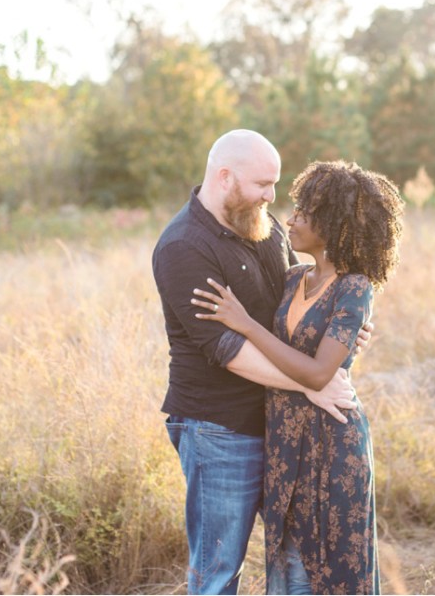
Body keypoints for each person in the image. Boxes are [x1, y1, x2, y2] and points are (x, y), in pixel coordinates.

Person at [151, 130, 370, 595]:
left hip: (283, 425)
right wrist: (310, 384)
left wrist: (344, 328)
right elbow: (227, 349)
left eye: (275, 185)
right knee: (218, 568)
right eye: (262, 185)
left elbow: (297, 300)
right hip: (218, 430)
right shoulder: (183, 247)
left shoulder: (264, 225)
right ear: (225, 177)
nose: (272, 197)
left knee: (301, 556)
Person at [191, 160, 404, 595]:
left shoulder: (355, 287)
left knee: (327, 565)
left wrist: (245, 323)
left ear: (331, 224)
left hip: (331, 440)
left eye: (302, 213)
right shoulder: (292, 279)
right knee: (289, 561)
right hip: (285, 437)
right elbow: (295, 353)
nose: (289, 219)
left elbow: (319, 371)